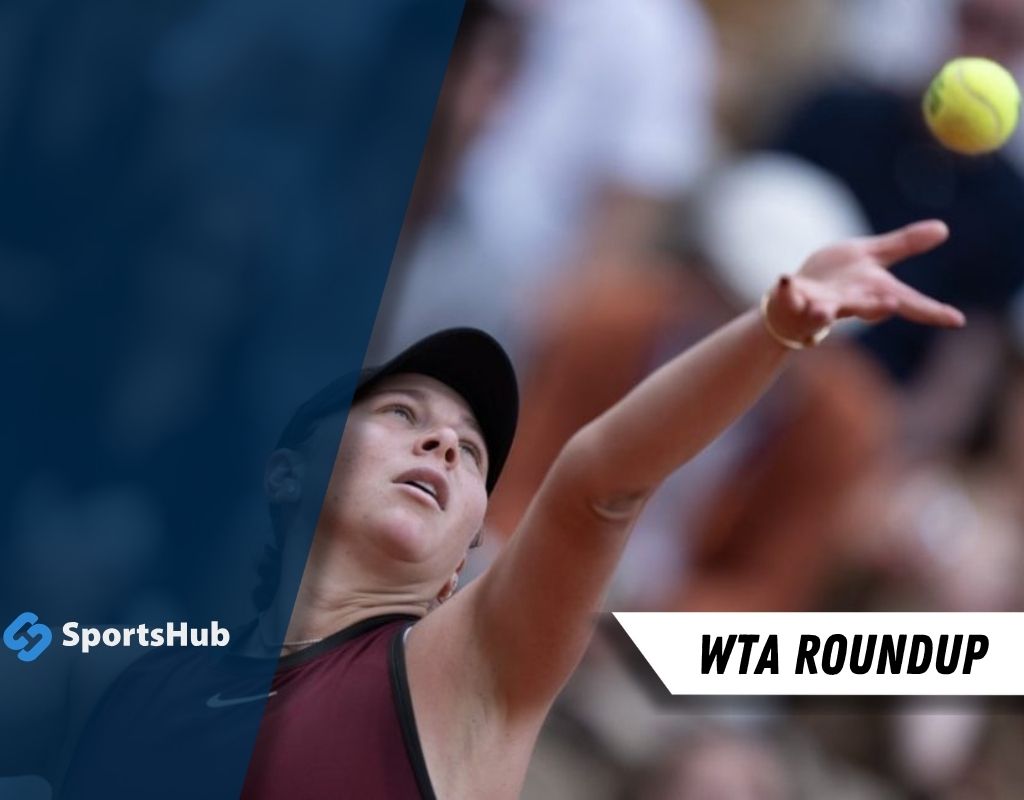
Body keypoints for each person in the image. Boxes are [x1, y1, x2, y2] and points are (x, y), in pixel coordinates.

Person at [53, 222, 962, 799]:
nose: (444, 443)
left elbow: (599, 484)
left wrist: (775, 330)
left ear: (463, 564)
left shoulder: (462, 674)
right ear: (287, 474)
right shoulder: (144, 680)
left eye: (473, 451)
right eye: (403, 415)